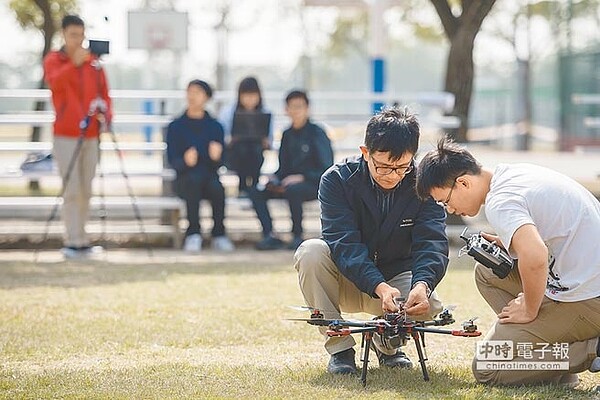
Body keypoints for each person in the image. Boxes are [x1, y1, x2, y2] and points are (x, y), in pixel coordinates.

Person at [415, 138, 600, 387]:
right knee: (487, 272)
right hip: (584, 281)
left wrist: (529, 309)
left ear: (463, 183)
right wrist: (511, 242)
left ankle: (592, 349)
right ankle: (556, 371)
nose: (448, 209)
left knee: (488, 367)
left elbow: (535, 256)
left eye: (445, 201)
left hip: (588, 300)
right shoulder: (513, 173)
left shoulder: (500, 201)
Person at [293, 107, 449, 375]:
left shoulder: (423, 185)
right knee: (311, 252)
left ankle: (386, 344)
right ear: (365, 152)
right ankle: (340, 348)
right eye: (384, 166)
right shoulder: (336, 180)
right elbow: (343, 243)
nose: (393, 175)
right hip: (347, 279)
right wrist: (378, 286)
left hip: (397, 283)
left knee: (432, 304)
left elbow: (432, 242)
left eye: (402, 167)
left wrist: (422, 284)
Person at [43, 15, 112, 259]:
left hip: (92, 135)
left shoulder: (94, 64)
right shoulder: (54, 60)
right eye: (73, 35)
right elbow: (54, 83)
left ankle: (83, 238)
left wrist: (107, 117)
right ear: (63, 34)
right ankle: (72, 240)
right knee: (71, 190)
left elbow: (105, 93)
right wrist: (73, 64)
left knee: (86, 188)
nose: (78, 40)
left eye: (81, 35)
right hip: (65, 135)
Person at [249, 90, 333, 251]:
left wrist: (301, 177)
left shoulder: (317, 133)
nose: (295, 111)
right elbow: (283, 168)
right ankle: (270, 235)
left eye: (299, 106)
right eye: (291, 107)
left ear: (307, 109)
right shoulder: (287, 134)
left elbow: (326, 169)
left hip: (313, 184)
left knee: (294, 190)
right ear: (286, 109)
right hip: (288, 184)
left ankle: (297, 235)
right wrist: (274, 178)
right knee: (256, 192)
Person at [166, 79, 235, 253]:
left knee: (217, 188)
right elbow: (172, 161)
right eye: (190, 92)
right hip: (185, 179)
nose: (192, 96)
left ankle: (219, 235)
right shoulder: (176, 126)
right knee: (192, 182)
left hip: (209, 177)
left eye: (197, 92)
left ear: (206, 97)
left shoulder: (215, 126)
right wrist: (185, 161)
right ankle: (193, 234)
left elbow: (222, 163)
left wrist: (217, 157)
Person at [219, 76, 271, 197]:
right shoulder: (228, 112)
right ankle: (246, 187)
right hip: (234, 155)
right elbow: (222, 138)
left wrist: (265, 141)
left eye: (253, 96)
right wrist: (230, 139)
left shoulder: (265, 112)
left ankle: (251, 188)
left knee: (254, 148)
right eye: (246, 96)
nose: (250, 100)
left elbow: (269, 141)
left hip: (256, 153)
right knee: (243, 148)